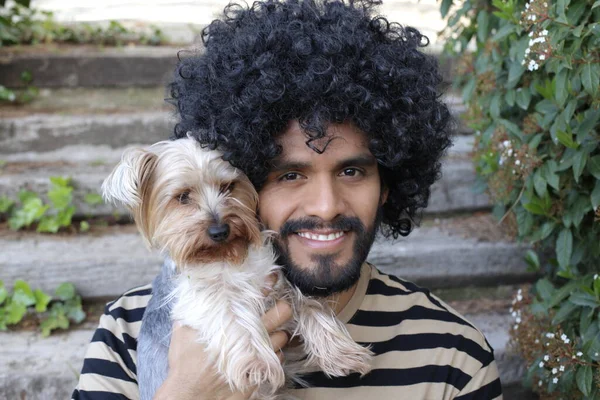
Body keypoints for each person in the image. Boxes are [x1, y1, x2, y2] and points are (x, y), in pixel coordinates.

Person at [72, 0, 503, 399]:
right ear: (251, 182)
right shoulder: (125, 332)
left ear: (388, 184)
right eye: (290, 174)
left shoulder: (454, 358)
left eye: (352, 171)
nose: (325, 206)